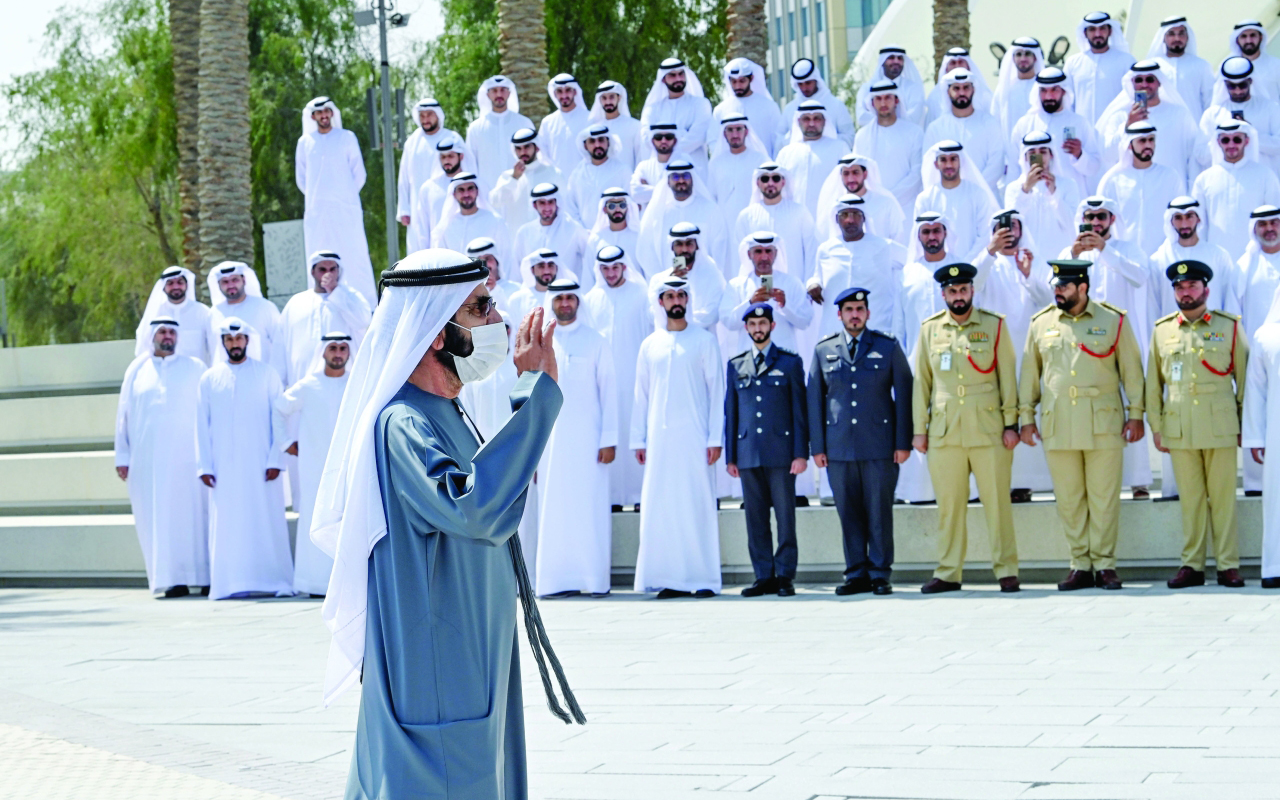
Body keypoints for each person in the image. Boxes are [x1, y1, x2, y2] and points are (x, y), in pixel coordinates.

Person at [312, 249, 583, 796]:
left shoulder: (449, 410)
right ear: (438, 331)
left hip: (472, 658)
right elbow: (476, 508)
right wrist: (534, 397)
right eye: (481, 308)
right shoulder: (403, 424)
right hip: (438, 668)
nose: (497, 322)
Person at [1019, 260, 1145, 591]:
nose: (1056, 291)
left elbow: (1132, 371)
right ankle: (1080, 564)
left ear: (1083, 287)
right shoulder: (1041, 323)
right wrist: (1025, 418)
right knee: (1069, 498)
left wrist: (1136, 413)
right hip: (1059, 423)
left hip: (1103, 422)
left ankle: (1104, 564)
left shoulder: (1113, 320)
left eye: (1063, 286)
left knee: (1104, 498)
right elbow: (1029, 375)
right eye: (1055, 286)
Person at [911, 263, 1021, 593]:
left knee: (998, 503)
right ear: (942, 294)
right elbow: (922, 383)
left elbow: (1007, 377)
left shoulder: (993, 325)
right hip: (945, 431)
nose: (958, 296)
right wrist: (919, 429)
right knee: (949, 506)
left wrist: (1011, 422)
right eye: (952, 291)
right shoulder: (930, 330)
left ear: (972, 291)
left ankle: (1006, 570)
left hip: (988, 428)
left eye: (963, 290)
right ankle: (948, 572)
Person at [1145, 260, 1248, 589]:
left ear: (1206, 289)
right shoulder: (1163, 330)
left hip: (1219, 424)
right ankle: (1192, 565)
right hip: (1180, 426)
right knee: (1190, 501)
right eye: (1179, 286)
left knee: (1223, 500)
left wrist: (1247, 425)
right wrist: (1157, 426)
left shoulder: (1229, 327)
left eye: (1191, 285)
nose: (1185, 292)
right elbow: (1152, 384)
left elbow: (1244, 380)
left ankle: (1228, 565)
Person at [808, 288, 912, 595]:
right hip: (839, 447)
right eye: (849, 309)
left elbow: (904, 394)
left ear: (868, 313)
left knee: (879, 510)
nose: (855, 314)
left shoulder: (887, 346)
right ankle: (855, 573)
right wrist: (818, 447)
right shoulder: (823, 350)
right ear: (839, 315)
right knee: (849, 512)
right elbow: (814, 399)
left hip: (879, 445)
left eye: (860, 309)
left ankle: (880, 573)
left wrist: (902, 442)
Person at [631, 279, 725, 598]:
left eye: (681, 294)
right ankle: (668, 578)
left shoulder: (704, 340)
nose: (675, 300)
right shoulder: (650, 344)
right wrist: (638, 440)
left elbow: (717, 393)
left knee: (696, 505)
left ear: (688, 298)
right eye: (669, 295)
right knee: (663, 507)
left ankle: (702, 579)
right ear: (661, 302)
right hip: (659, 441)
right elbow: (640, 397)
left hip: (697, 440)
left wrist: (715, 438)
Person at [1063, 196, 1155, 496]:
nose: (1095, 223)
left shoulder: (1128, 250)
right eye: (1089, 217)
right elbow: (1054, 290)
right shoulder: (1071, 252)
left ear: (1112, 219)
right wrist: (1075, 256)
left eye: (1101, 216)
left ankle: (1138, 478)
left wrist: (1104, 250)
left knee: (1132, 403)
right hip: (1082, 346)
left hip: (1121, 339)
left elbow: (1141, 277)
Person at [196, 317, 293, 599]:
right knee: (229, 524)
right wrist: (204, 465)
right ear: (223, 342)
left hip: (263, 466)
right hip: (223, 469)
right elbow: (201, 424)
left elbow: (279, 419)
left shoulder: (267, 374)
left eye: (239, 339)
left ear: (247, 341)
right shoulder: (209, 378)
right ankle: (229, 584)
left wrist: (276, 459)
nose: (235, 344)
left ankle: (274, 581)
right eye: (229, 339)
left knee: (265, 522)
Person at [534, 279, 617, 598]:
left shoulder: (596, 341)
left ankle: (593, 581)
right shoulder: (540, 345)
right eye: (560, 298)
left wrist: (609, 439)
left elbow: (609, 393)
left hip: (590, 446)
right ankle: (554, 582)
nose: (566, 303)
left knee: (589, 510)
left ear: (578, 301)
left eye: (571, 297)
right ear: (551, 301)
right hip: (551, 446)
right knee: (554, 512)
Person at [115, 317, 208, 598]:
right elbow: (123, 414)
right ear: (152, 336)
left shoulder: (195, 367)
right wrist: (122, 454)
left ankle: (205, 577)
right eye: (162, 332)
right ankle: (172, 580)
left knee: (196, 517)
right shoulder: (136, 370)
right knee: (159, 518)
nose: (167, 337)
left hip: (190, 461)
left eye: (171, 332)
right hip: (150, 463)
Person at [725, 303, 807, 597]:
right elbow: (731, 413)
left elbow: (800, 412)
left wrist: (801, 453)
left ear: (772, 326)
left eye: (763, 324)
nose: (757, 329)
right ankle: (763, 575)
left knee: (785, 517)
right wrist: (731, 456)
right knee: (755, 518)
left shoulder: (789, 363)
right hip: (748, 453)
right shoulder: (736, 364)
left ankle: (784, 575)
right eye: (752, 325)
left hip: (781, 453)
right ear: (746, 328)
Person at [972, 209, 1054, 501]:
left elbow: (1050, 303)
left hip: (1029, 354)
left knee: (1027, 413)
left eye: (1014, 225)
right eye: (1002, 227)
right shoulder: (985, 260)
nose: (1009, 230)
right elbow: (973, 285)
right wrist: (990, 251)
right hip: (993, 354)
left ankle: (1025, 483)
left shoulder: (1035, 260)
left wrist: (1029, 275)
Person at [274, 332, 351, 597]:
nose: (338, 353)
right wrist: (286, 443)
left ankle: (346, 583)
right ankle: (313, 583)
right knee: (315, 518)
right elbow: (279, 408)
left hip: (348, 469)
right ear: (323, 352)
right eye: (333, 348)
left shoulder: (357, 383)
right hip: (313, 469)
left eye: (343, 348)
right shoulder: (308, 385)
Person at [584, 246, 653, 509]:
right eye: (605, 268)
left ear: (624, 267)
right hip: (602, 385)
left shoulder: (642, 294)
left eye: (615, 267)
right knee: (608, 434)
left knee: (633, 434)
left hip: (635, 379)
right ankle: (611, 498)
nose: (611, 273)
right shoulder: (590, 300)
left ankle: (637, 498)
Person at [295, 97, 375, 302]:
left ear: (332, 113)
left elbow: (359, 175)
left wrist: (343, 196)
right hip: (317, 212)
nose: (323, 116)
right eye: (319, 113)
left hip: (346, 210)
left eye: (327, 111)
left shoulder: (347, 137)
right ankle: (320, 299)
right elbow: (302, 179)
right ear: (313, 116)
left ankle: (364, 302)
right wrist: (321, 198)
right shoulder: (305, 142)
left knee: (355, 255)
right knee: (319, 254)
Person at [808, 195, 904, 342]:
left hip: (876, 332)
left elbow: (914, 264)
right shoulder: (825, 250)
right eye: (844, 215)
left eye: (856, 215)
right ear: (836, 219)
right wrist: (813, 284)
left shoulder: (885, 247)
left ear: (864, 218)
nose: (850, 220)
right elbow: (817, 277)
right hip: (835, 334)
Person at [277, 251, 372, 389]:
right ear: (312, 272)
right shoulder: (296, 303)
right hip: (303, 385)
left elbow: (363, 322)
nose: (328, 274)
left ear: (339, 271)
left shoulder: (352, 296)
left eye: (333, 269)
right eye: (322, 269)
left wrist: (334, 291)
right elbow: (281, 346)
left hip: (345, 385)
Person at [1097, 60, 1200, 184]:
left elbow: (1193, 157)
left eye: (1150, 79)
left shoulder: (1179, 114)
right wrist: (1127, 126)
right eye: (1139, 80)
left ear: (1159, 82)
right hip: (1132, 190)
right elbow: (1108, 155)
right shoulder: (1120, 116)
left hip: (1171, 188)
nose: (1144, 84)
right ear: (1132, 83)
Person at [1236, 205, 1280, 488]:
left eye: (1274, 222)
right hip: (1257, 356)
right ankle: (1255, 483)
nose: (1269, 229)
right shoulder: (1244, 266)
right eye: (1262, 225)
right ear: (1254, 229)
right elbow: (1234, 312)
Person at [1193, 120, 1280, 261]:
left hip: (1256, 260)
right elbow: (1199, 226)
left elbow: (1275, 221)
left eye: (1237, 139)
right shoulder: (1204, 179)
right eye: (1226, 140)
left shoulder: (1265, 175)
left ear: (1246, 141)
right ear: (1218, 142)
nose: (1231, 145)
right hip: (1215, 258)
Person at [1097, 122, 1187, 258]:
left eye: (1151, 140)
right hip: (1123, 258)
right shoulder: (1113, 180)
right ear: (1129, 144)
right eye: (1142, 141)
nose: (1148, 145)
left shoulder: (1169, 176)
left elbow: (1180, 216)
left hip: (1163, 258)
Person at [1242, 279, 1280, 589]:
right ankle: (1274, 566)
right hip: (1277, 436)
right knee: (1276, 502)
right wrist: (1255, 438)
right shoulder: (1265, 335)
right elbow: (1255, 390)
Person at [1008, 68, 1101, 196]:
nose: (1048, 96)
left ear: (1064, 91)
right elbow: (1014, 167)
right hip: (1034, 201)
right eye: (1044, 91)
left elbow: (1094, 168)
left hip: (1070, 199)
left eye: (1054, 90)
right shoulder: (1024, 124)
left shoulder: (1079, 123)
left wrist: (1079, 155)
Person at [720, 231, 813, 354]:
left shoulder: (792, 283)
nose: (764, 257)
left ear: (776, 254)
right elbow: (729, 322)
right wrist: (750, 303)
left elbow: (805, 322)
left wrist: (785, 305)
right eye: (758, 251)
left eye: (768, 251)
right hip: (749, 361)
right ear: (749, 254)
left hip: (785, 359)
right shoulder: (736, 285)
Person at [1149, 197, 1238, 323]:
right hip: (1172, 336)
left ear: (1199, 218)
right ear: (1171, 222)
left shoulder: (1219, 256)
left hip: (1213, 335)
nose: (1184, 224)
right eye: (1178, 218)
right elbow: (1153, 306)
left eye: (1189, 216)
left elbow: (1230, 300)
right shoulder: (1159, 259)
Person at [637, 159, 732, 277]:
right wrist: (664, 279)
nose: (681, 180)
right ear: (668, 181)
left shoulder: (710, 210)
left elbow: (720, 249)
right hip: (669, 287)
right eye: (676, 177)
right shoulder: (658, 213)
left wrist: (711, 277)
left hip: (703, 281)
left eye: (685, 176)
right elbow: (646, 249)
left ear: (693, 179)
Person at [914, 140, 999, 261]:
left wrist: (964, 265)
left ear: (961, 161)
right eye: (943, 160)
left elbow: (985, 235)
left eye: (953, 159)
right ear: (936, 164)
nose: (949, 165)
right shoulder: (925, 198)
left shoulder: (978, 194)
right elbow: (923, 237)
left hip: (974, 268)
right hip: (937, 270)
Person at [1005, 130, 1083, 262]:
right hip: (1027, 262)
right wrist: (1025, 190)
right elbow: (1011, 227)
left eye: (1043, 152)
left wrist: (1054, 192)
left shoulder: (1069, 185)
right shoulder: (1014, 188)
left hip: (1060, 259)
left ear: (1051, 155)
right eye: (1032, 153)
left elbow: (1072, 226)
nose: (1038, 157)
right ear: (1025, 157)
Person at [733, 163, 818, 284]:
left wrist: (809, 283)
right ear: (758, 183)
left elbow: (811, 250)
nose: (770, 183)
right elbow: (741, 257)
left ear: (783, 182)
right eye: (765, 179)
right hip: (758, 289)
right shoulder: (746, 216)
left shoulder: (799, 212)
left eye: (776, 178)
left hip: (795, 285)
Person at [924, 68, 1005, 194]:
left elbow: (996, 164)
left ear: (973, 90)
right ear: (948, 92)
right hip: (947, 197)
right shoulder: (936, 128)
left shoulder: (989, 123)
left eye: (966, 87)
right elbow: (930, 166)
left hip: (986, 196)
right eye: (956, 88)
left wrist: (973, 191)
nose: (961, 92)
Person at [1197, 56, 1280, 176]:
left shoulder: (1270, 108)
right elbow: (1200, 156)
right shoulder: (1212, 114)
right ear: (1224, 83)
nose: (1237, 91)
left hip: (1262, 180)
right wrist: (1224, 137)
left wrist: (1250, 132)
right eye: (1231, 86)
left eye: (1242, 85)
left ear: (1250, 81)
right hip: (1224, 182)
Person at [853, 80, 924, 215]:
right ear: (872, 103)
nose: (883, 103)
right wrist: (878, 200)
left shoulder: (914, 132)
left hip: (906, 207)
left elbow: (917, 172)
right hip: (872, 208)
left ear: (896, 100)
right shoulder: (862, 136)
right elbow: (858, 173)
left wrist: (890, 198)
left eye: (888, 98)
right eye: (878, 99)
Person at [646, 222, 726, 333]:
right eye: (679, 244)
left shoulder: (711, 275)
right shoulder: (659, 280)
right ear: (672, 247)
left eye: (689, 244)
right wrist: (668, 284)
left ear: (697, 245)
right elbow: (651, 316)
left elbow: (712, 315)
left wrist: (679, 322)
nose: (684, 249)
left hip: (701, 341)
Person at [207, 261, 283, 374]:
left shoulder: (265, 307)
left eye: (235, 280)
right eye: (225, 282)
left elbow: (280, 344)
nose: (230, 285)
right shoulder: (214, 313)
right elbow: (213, 350)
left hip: (261, 377)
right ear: (218, 285)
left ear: (244, 280)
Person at [814, 153, 908, 244]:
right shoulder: (834, 206)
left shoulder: (886, 203)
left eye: (855, 172)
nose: (850, 179)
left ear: (865, 174)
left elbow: (897, 239)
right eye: (846, 173)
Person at [133, 266, 215, 363]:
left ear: (187, 285)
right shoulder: (156, 313)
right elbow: (143, 346)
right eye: (170, 283)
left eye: (180, 282)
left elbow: (214, 346)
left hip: (196, 374)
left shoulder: (202, 312)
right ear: (163, 287)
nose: (175, 287)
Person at [638, 58, 713, 165]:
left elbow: (697, 137)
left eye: (681, 74)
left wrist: (664, 147)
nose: (678, 78)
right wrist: (682, 132)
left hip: (694, 167)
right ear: (663, 79)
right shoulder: (652, 109)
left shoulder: (701, 104)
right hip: (661, 168)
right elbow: (646, 137)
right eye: (672, 75)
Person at [489, 128, 563, 235]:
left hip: (550, 236)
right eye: (518, 148)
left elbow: (564, 207)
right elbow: (495, 202)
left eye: (527, 147)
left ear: (537, 147)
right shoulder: (507, 176)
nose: (523, 152)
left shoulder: (554, 173)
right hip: (517, 238)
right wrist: (514, 178)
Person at [513, 183, 588, 288]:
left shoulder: (573, 228)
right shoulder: (524, 233)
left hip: (565, 295)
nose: (547, 207)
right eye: (542, 203)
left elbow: (590, 259)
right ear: (535, 205)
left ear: (557, 203)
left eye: (550, 202)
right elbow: (517, 270)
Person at [397, 98, 455, 233]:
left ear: (438, 115)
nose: (425, 119)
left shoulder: (452, 138)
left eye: (429, 114)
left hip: (446, 202)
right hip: (417, 205)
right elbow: (404, 177)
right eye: (422, 115)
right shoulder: (412, 142)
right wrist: (404, 209)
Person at [776, 101, 845, 214]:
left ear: (824, 121)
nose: (811, 123)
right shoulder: (786, 153)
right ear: (798, 121)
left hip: (829, 216)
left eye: (816, 118)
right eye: (806, 119)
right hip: (795, 217)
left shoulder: (839, 148)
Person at [1064, 11, 1132, 126]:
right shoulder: (1072, 63)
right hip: (1082, 133)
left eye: (1102, 28)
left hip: (1115, 130)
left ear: (1110, 31)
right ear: (1085, 33)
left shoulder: (1126, 61)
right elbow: (1066, 103)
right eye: (1092, 29)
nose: (1097, 34)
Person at [467, 76, 534, 191]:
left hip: (521, 191)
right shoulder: (475, 128)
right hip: (488, 192)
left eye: (503, 90)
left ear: (509, 93)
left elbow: (535, 158)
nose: (499, 94)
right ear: (488, 95)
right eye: (494, 91)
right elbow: (470, 164)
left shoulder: (524, 123)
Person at [409, 134, 475, 251]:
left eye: (450, 156)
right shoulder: (428, 189)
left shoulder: (473, 186)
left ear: (461, 156)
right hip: (438, 254)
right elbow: (422, 228)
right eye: (443, 157)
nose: (447, 160)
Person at [564, 124, 632, 228]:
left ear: (608, 142)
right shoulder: (577, 174)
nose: (597, 145)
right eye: (592, 141)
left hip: (614, 234)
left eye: (601, 140)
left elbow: (630, 204)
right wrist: (582, 231)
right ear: (585, 146)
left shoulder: (622, 170)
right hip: (585, 236)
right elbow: (571, 207)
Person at [1147, 16, 1214, 121]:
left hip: (1194, 128)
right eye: (1171, 34)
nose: (1177, 39)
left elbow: (1209, 101)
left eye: (1181, 33)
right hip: (1160, 127)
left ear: (1187, 37)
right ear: (1163, 38)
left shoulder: (1202, 66)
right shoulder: (1152, 66)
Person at [708, 114, 772, 224]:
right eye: (730, 130)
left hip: (754, 221)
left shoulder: (760, 160)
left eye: (739, 129)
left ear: (746, 132)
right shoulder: (716, 163)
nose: (735, 134)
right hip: (725, 223)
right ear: (724, 134)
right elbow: (712, 197)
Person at [781, 58, 856, 146]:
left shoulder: (836, 105)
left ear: (816, 80)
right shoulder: (789, 109)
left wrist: (822, 138)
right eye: (800, 84)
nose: (804, 88)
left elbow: (850, 138)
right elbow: (779, 140)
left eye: (808, 83)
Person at [714, 58, 782, 155]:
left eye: (742, 81)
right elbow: (714, 141)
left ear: (751, 78)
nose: (737, 86)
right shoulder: (721, 110)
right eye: (734, 81)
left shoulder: (769, 106)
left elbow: (778, 140)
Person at [432, 172, 507, 258]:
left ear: (477, 191)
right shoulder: (446, 226)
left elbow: (505, 258)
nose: (466, 194)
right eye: (461, 190)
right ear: (454, 194)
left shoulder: (495, 221)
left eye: (470, 188)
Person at [853, 49, 924, 128]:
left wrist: (885, 120)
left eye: (900, 58)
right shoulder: (867, 88)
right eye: (891, 58)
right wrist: (889, 121)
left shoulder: (913, 88)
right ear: (882, 61)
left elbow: (914, 117)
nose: (896, 61)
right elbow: (861, 117)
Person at [585, 188, 645, 279]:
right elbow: (588, 275)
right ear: (604, 209)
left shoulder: (639, 237)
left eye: (622, 205)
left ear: (628, 208)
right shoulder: (596, 239)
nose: (618, 209)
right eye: (612, 206)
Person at [925, 48, 994, 126]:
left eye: (961, 62)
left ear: (968, 66)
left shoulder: (984, 93)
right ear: (946, 68)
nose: (957, 66)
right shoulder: (935, 96)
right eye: (953, 63)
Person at [538, 73, 590, 176]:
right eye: (560, 91)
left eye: (568, 90)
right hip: (556, 181)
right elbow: (542, 154)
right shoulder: (547, 122)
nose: (564, 95)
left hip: (584, 180)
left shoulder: (589, 119)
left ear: (575, 92)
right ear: (555, 94)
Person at [991, 37, 1044, 135]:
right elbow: (995, 121)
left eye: (1027, 54)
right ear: (1013, 58)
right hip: (1010, 148)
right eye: (1018, 54)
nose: (1023, 59)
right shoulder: (1004, 88)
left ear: (1035, 57)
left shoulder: (1043, 88)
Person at [588, 80, 644, 170]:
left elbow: (640, 157)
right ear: (599, 100)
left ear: (619, 98)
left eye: (611, 97)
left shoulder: (634, 126)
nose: (608, 101)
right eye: (604, 98)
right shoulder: (594, 129)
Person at [506, 248, 569, 325]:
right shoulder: (518, 299)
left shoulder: (568, 300)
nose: (547, 271)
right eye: (541, 266)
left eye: (550, 265)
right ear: (532, 270)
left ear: (557, 268)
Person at [630, 122, 683, 209]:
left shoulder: (685, 163)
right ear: (652, 141)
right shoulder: (644, 166)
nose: (663, 141)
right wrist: (672, 190)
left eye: (668, 137)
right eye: (658, 137)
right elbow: (635, 193)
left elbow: (686, 193)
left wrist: (648, 189)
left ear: (675, 140)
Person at [1230, 20, 1280, 101]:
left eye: (1253, 35)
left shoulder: (1276, 66)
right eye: (1243, 36)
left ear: (1260, 37)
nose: (1249, 41)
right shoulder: (1228, 68)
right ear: (1237, 40)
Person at [468, 237, 521, 312]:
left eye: (488, 258)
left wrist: (495, 289)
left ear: (497, 260)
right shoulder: (468, 293)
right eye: (479, 261)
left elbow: (511, 319)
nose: (485, 265)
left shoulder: (515, 289)